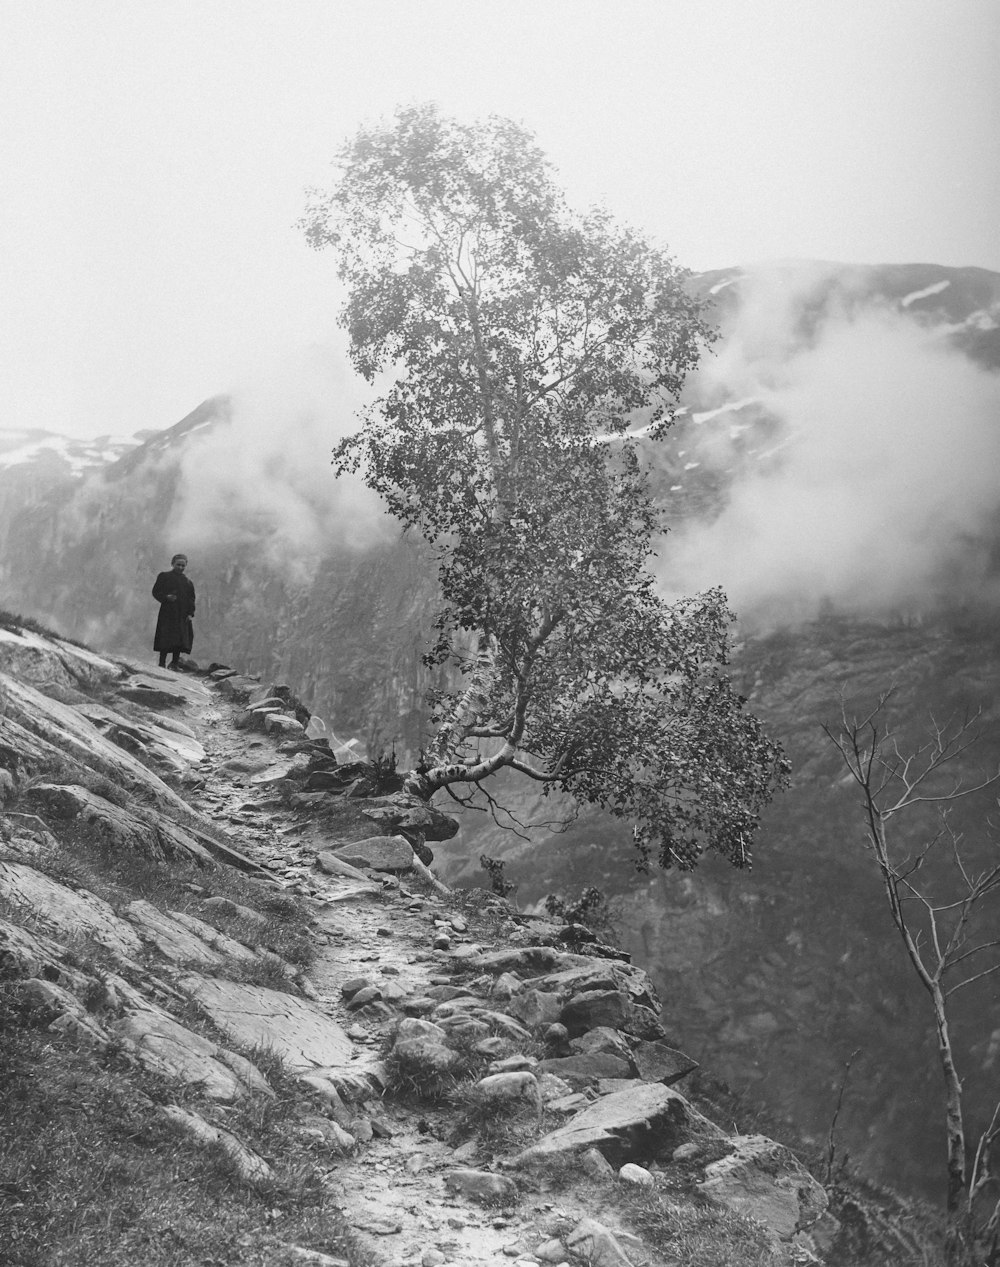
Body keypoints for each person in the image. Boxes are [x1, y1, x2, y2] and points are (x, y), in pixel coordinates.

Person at [152, 553, 195, 670]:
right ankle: (162, 663)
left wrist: (190, 613)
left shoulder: (188, 582)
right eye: (178, 565)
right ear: (172, 564)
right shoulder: (164, 576)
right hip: (167, 612)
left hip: (182, 614)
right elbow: (155, 592)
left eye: (183, 565)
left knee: (180, 638)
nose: (180, 567)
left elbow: (191, 599)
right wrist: (166, 597)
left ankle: (174, 663)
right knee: (165, 636)